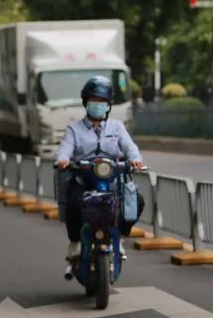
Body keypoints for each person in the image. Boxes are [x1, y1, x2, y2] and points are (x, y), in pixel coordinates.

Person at [55, 76, 146, 262]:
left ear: (108, 105)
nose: (97, 105)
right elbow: (65, 148)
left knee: (136, 201)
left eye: (102, 101)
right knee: (73, 204)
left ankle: (118, 236)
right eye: (93, 101)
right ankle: (75, 243)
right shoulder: (74, 129)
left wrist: (136, 160)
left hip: (111, 178)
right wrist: (63, 160)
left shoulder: (117, 126)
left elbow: (129, 146)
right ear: (86, 103)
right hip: (84, 178)